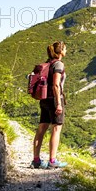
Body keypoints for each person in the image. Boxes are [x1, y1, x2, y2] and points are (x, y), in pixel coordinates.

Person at [31, 41, 68, 169]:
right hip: (54, 99)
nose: (66, 51)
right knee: (56, 129)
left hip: (44, 99)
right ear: (61, 51)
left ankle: (36, 160)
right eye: (65, 49)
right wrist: (58, 103)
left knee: (41, 128)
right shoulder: (58, 64)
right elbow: (56, 85)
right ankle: (52, 161)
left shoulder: (48, 63)